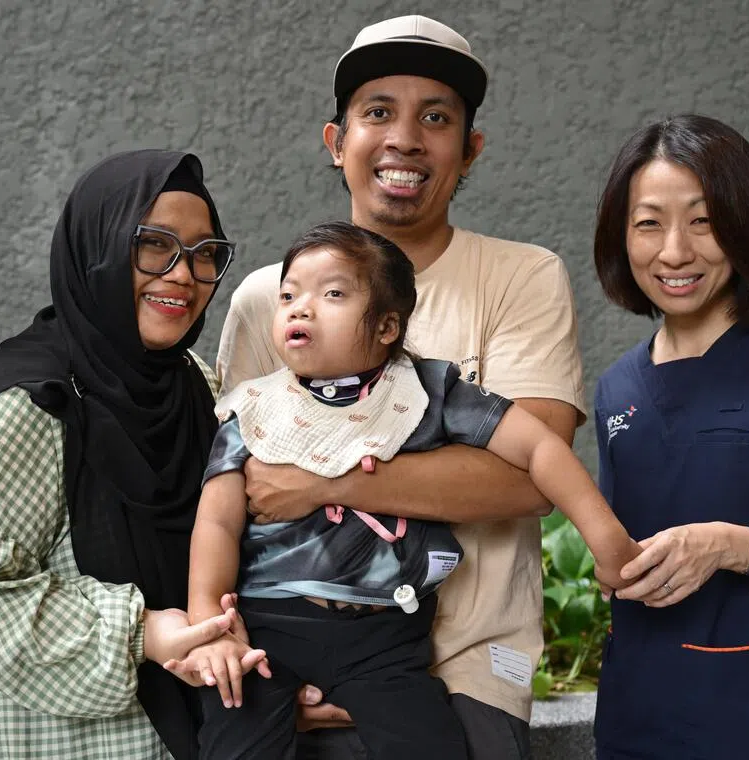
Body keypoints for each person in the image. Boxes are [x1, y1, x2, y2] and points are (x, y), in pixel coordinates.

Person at [217, 15, 586, 758]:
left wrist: (326, 482)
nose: (406, 139)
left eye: (437, 118)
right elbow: (239, 489)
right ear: (337, 142)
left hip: (468, 668)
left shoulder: (521, 278)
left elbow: (527, 479)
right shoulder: (269, 299)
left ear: (470, 149)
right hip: (288, 658)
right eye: (379, 112)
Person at [175, 221, 637, 758]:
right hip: (268, 625)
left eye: (332, 295)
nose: (301, 309)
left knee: (430, 746)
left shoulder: (427, 391)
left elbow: (540, 449)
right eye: (288, 296)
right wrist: (211, 625)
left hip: (384, 636)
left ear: (387, 325)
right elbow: (217, 520)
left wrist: (607, 540)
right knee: (233, 744)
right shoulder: (255, 406)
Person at [0, 150, 267, 760]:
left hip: (186, 730)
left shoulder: (194, 386)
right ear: (96, 249)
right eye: (154, 245)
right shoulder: (25, 404)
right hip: (43, 741)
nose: (183, 274)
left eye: (204, 253)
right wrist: (141, 632)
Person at [591, 114, 749, 758]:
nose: (675, 252)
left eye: (703, 220)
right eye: (649, 223)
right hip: (639, 716)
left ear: (748, 224)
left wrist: (730, 546)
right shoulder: (617, 388)